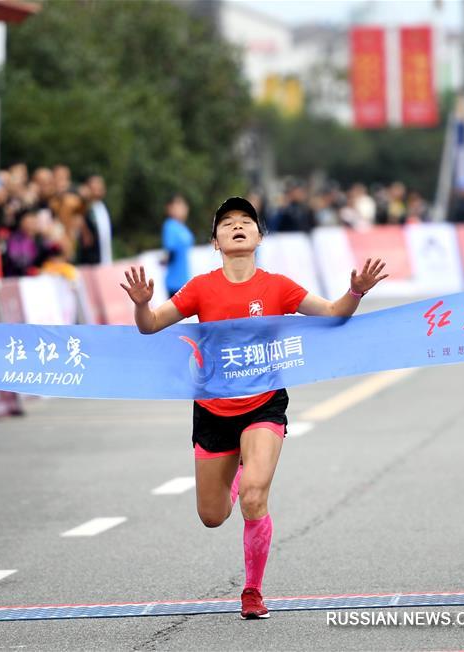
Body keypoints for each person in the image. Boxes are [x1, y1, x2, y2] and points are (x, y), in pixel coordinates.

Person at [121, 196, 388, 619]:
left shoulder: (279, 286)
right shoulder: (201, 288)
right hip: (213, 409)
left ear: (260, 236)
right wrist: (140, 303)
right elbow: (151, 325)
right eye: (227, 224)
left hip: (264, 404)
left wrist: (355, 290)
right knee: (212, 516)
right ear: (215, 242)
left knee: (253, 497)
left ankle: (252, 591)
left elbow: (335, 313)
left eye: (246, 221)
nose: (238, 227)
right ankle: (235, 475)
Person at [161, 194, 194, 296]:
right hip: (174, 282)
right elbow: (170, 251)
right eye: (177, 205)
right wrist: (164, 259)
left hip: (185, 280)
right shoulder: (170, 226)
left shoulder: (183, 228)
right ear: (169, 208)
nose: (182, 208)